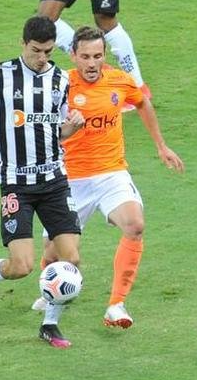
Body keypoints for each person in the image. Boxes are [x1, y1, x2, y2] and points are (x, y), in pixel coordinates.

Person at [0, 16, 86, 349]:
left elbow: (55, 130)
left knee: (72, 259)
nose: (42, 57)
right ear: (23, 44)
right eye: (36, 50)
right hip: (16, 185)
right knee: (21, 266)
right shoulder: (1, 75)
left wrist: (72, 128)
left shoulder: (60, 80)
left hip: (54, 182)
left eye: (48, 52)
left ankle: (50, 325)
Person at [30, 26, 183, 328]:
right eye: (85, 56)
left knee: (135, 225)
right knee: (55, 252)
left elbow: (141, 102)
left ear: (104, 55)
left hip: (111, 173)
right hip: (68, 179)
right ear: (73, 55)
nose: (91, 63)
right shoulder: (57, 85)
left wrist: (161, 146)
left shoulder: (119, 81)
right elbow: (36, 125)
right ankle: (53, 287)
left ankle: (116, 305)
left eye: (97, 56)